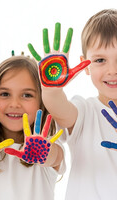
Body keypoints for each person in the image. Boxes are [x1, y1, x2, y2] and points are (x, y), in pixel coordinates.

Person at [30, 16, 117, 199]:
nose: (112, 70)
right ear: (85, 64)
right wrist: (51, 88)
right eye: (100, 60)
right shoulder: (85, 111)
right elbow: (59, 108)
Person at [0, 56, 65, 200]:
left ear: (42, 101)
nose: (15, 104)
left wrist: (42, 151)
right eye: (5, 94)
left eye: (27, 95)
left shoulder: (47, 144)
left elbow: (56, 157)